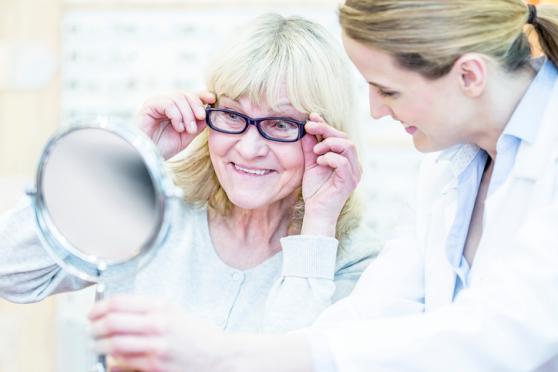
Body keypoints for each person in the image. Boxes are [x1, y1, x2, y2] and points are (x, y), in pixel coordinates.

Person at [88, 1, 558, 371]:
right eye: (233, 116)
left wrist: (223, 356)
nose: (375, 110)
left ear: (469, 76)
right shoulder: (446, 168)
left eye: (388, 90)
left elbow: (504, 332)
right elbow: (374, 313)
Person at [0, 13, 377, 334]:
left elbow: (296, 360)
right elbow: (10, 272)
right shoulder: (155, 214)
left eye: (280, 124)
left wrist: (318, 223)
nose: (248, 148)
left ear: (325, 136)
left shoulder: (353, 260)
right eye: (232, 115)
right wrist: (129, 158)